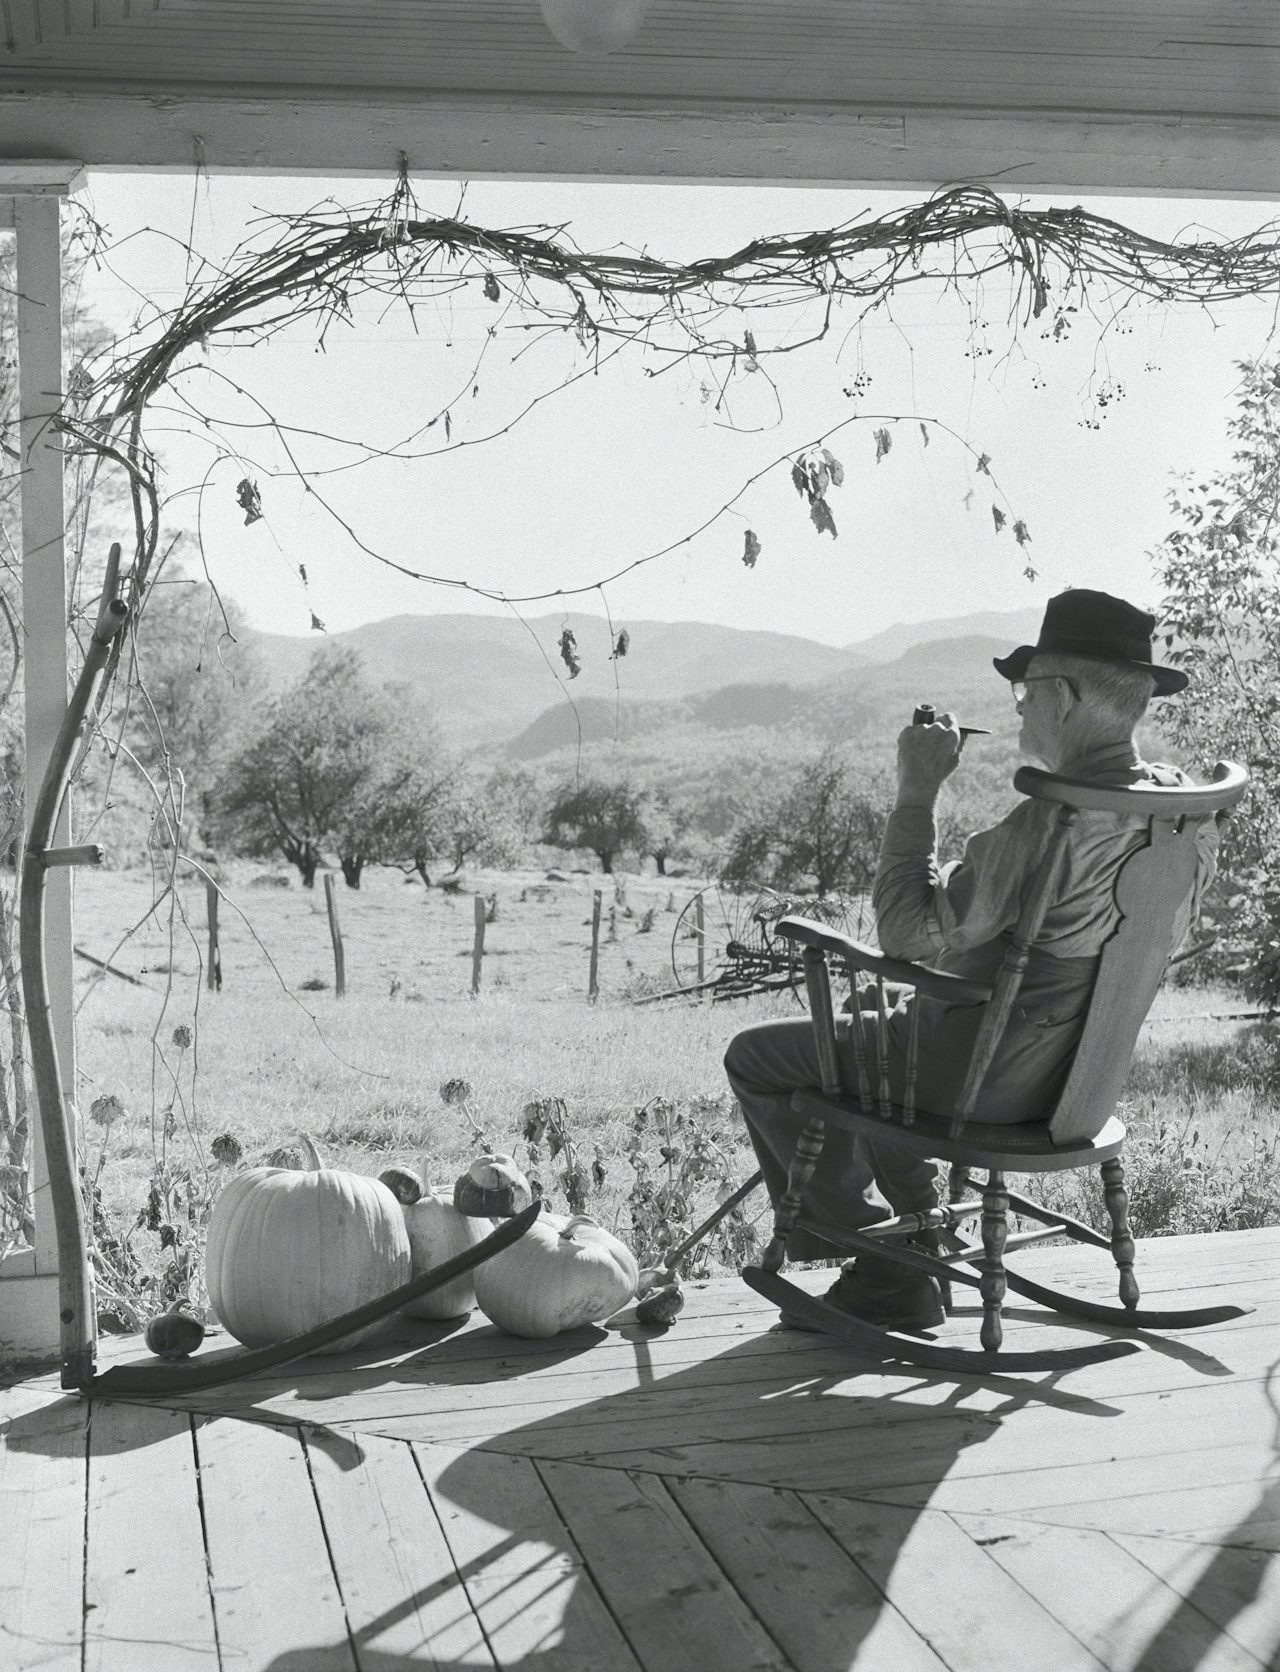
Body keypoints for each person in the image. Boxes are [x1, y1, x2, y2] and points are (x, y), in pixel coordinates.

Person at [724, 588, 1217, 1332]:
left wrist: (916, 792)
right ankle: (919, 1228)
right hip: (1080, 1077)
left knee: (756, 1059)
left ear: (1064, 695)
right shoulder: (1182, 812)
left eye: (1025, 690)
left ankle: (888, 1258)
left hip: (989, 1083)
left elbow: (906, 934)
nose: (1018, 708)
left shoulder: (1054, 818)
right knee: (868, 1018)